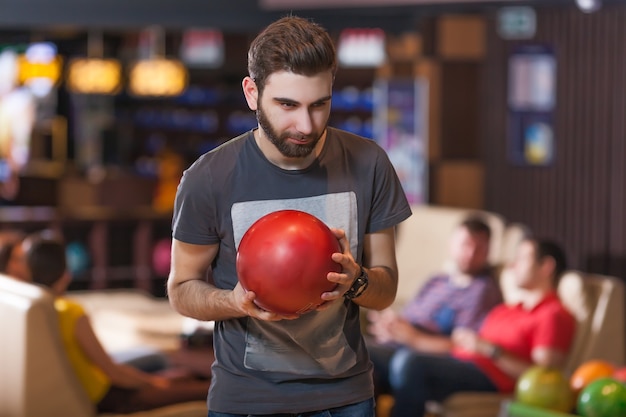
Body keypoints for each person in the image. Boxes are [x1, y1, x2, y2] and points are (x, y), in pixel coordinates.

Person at [167, 15, 412, 416]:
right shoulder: (208, 177)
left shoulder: (369, 163)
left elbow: (385, 290)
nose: (306, 124)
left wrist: (356, 281)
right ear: (252, 92)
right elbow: (181, 289)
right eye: (287, 105)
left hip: (346, 399)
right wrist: (233, 301)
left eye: (320, 105)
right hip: (246, 399)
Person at [21, 231, 211, 414]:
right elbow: (113, 372)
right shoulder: (70, 312)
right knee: (200, 389)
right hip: (109, 396)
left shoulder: (40, 310)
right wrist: (154, 382)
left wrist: (155, 381)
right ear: (65, 273)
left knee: (182, 377)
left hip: (102, 390)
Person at [384, 237, 576, 417]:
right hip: (457, 362)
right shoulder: (505, 309)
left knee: (410, 363)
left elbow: (543, 379)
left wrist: (491, 350)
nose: (512, 265)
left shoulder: (553, 314)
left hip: (489, 378)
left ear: (546, 267)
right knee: (372, 357)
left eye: (521, 259)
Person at [366, 216, 503, 401]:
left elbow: (462, 345)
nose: (471, 254)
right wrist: (390, 326)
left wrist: (413, 338)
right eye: (466, 245)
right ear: (451, 245)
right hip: (396, 345)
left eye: (479, 248)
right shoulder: (437, 281)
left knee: (362, 352)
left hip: (424, 357)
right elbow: (408, 317)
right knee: (361, 360)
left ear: (488, 252)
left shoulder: (483, 290)